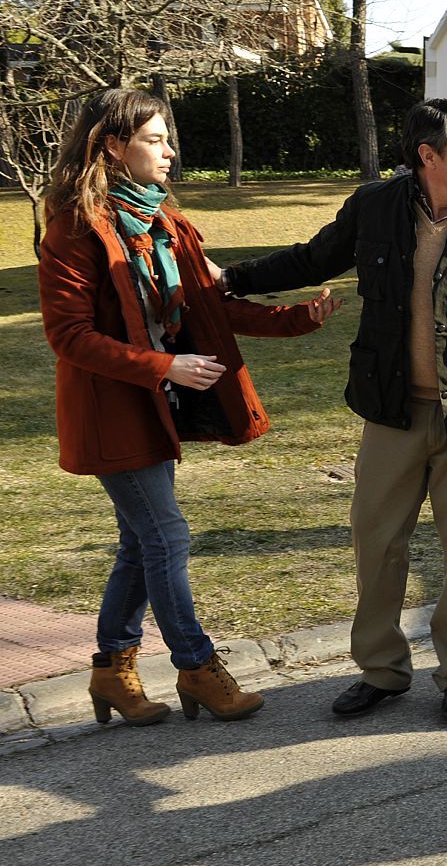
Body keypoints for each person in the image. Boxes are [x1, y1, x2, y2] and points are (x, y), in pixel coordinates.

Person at [218, 98, 447, 722]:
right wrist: (231, 281)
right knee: (375, 540)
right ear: (428, 157)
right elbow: (310, 260)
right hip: (391, 411)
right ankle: (383, 670)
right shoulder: (374, 208)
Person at [37, 88, 338, 726]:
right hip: (112, 412)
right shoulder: (72, 229)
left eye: (167, 138)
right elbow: (68, 337)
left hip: (158, 406)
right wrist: (165, 365)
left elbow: (209, 306)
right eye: (155, 139)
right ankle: (197, 668)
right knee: (166, 536)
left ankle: (112, 671)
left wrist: (295, 319)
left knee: (140, 542)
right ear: (113, 148)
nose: (171, 151)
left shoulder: (166, 223)